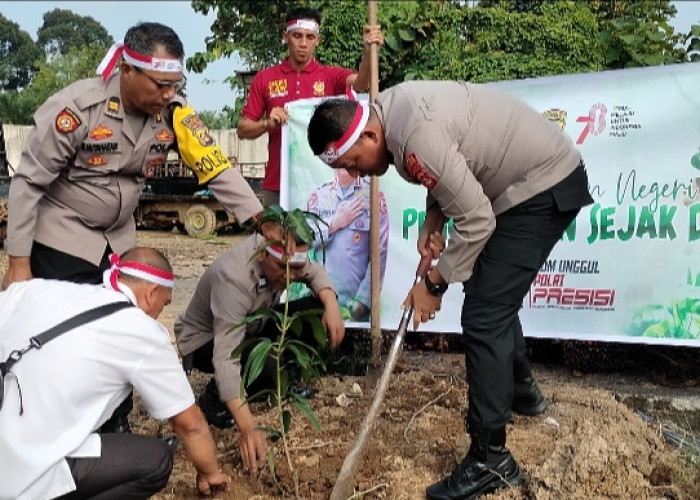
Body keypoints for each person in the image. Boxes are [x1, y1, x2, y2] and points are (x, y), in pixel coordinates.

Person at [306, 81, 594, 500]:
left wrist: (434, 283)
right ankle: (523, 395)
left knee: (483, 315)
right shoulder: (389, 112)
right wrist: (433, 223)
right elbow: (450, 171)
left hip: (541, 184)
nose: (360, 173)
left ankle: (491, 459)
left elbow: (477, 219)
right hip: (521, 184)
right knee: (489, 291)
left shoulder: (413, 135)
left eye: (356, 162)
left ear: (369, 136)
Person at [1, 21, 273, 435]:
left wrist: (261, 219)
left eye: (174, 84)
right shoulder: (78, 107)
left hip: (118, 241)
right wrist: (19, 263)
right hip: (62, 235)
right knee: (65, 335)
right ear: (128, 70)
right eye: (160, 85)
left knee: (124, 328)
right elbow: (29, 181)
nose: (168, 94)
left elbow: (214, 166)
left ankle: (113, 421)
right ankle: (52, 425)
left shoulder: (174, 113)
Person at [0, 248, 231, 499]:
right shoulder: (142, 331)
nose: (159, 312)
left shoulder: (38, 289)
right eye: (165, 304)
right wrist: (210, 473)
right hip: (20, 471)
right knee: (156, 460)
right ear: (151, 294)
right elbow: (189, 424)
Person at [174, 226, 345, 473]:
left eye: (295, 270)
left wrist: (331, 304)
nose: (289, 277)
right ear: (263, 254)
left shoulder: (286, 254)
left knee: (315, 312)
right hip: (206, 343)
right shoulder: (233, 279)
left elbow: (313, 272)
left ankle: (271, 382)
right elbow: (225, 357)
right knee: (264, 362)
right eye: (282, 269)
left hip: (253, 326)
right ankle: (215, 396)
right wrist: (248, 428)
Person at [236, 6, 383, 207]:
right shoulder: (264, 79)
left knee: (322, 237)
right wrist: (268, 124)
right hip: (278, 183)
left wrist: (368, 53)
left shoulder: (330, 76)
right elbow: (243, 129)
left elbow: (362, 83)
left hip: (323, 184)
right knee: (277, 238)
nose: (303, 43)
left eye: (310, 37)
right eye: (297, 36)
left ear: (318, 40)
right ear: (285, 37)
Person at [307, 168, 389, 321]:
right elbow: (307, 241)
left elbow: (380, 252)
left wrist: (363, 301)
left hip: (355, 309)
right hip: (319, 304)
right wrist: (334, 224)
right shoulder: (319, 195)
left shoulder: (372, 196)